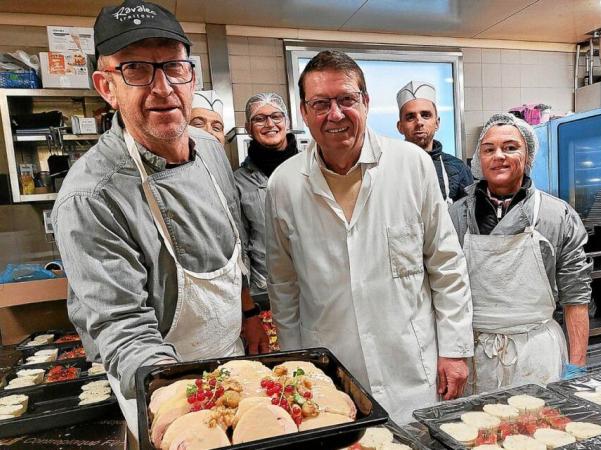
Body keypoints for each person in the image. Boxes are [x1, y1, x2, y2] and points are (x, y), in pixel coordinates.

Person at [51, 0, 266, 435]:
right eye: (136, 69)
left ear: (192, 76)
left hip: (233, 353)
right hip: (160, 381)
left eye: (173, 67)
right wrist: (189, 407)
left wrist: (248, 313)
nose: (163, 88)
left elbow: (231, 247)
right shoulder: (91, 197)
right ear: (106, 86)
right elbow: (122, 329)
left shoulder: (208, 150)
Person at [265, 50, 473, 424]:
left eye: (347, 99)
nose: (335, 114)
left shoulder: (411, 164)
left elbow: (446, 263)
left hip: (411, 365)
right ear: (304, 112)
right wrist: (294, 366)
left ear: (365, 101)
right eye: (321, 103)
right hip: (330, 370)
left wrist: (455, 351)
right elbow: (283, 285)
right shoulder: (283, 184)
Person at [449, 112, 591, 394]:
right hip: (474, 353)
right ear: (479, 160)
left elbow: (576, 297)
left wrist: (577, 365)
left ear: (528, 158)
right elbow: (443, 293)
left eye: (510, 147)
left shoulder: (556, 215)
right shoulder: (456, 216)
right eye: (489, 149)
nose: (498, 155)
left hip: (537, 351)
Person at [233, 93, 299, 350]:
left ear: (287, 122)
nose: (269, 124)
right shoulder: (238, 182)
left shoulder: (312, 170)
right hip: (264, 295)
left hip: (313, 287)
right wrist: (249, 309)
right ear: (249, 128)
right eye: (259, 119)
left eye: (276, 116)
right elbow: (239, 248)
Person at [396, 81, 473, 203]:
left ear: (437, 123)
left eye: (425, 115)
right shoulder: (388, 167)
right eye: (410, 117)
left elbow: (467, 216)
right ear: (400, 126)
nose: (419, 122)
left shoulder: (458, 168)